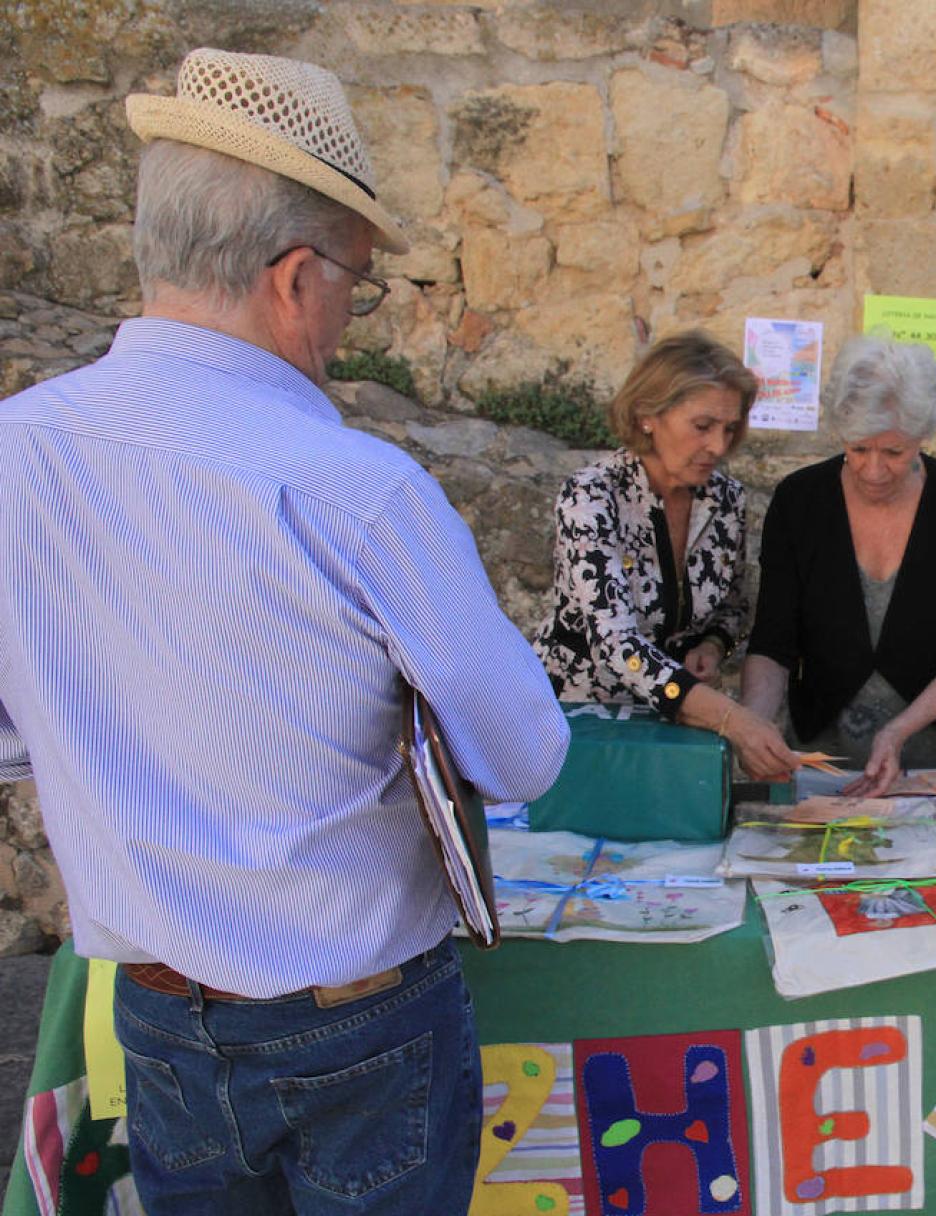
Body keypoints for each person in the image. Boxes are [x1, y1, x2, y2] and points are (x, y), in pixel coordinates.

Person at [0, 49, 571, 1212]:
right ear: (296, 277)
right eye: (360, 281)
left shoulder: (19, 451)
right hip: (354, 1011)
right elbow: (523, 755)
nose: (353, 314)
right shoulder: (356, 488)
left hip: (158, 1005)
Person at [533, 331, 799, 783]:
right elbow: (618, 645)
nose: (718, 445)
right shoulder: (592, 497)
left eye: (730, 428)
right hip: (579, 727)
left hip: (671, 728)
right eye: (703, 426)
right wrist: (731, 719)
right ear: (647, 416)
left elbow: (733, 609)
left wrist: (713, 646)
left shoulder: (725, 500)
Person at [740, 337, 936, 796]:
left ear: (924, 436)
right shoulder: (799, 501)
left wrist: (896, 731)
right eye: (858, 450)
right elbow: (773, 642)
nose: (874, 470)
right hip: (825, 752)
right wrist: (753, 726)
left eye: (894, 453)